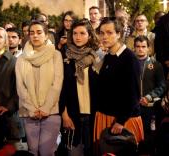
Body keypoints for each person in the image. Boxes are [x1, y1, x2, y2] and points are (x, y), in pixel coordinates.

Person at [94, 18, 144, 155]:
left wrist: (121, 121)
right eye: (102, 33)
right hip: (105, 116)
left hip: (122, 121)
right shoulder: (108, 56)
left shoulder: (129, 58)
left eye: (109, 33)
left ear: (119, 34)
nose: (104, 37)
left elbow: (134, 94)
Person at [16, 21, 63, 156]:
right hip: (29, 112)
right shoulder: (21, 59)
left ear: (46, 35)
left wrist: (45, 108)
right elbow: (20, 87)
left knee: (46, 152)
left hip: (51, 111)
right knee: (32, 152)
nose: (35, 36)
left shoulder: (56, 55)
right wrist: (32, 108)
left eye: (39, 32)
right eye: (32, 33)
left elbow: (57, 83)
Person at [59, 19, 100, 156]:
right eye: (75, 33)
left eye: (82, 33)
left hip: (94, 115)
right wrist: (64, 115)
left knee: (92, 152)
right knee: (74, 152)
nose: (78, 37)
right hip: (72, 115)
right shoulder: (65, 57)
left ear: (90, 35)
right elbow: (61, 88)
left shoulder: (97, 58)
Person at [133, 36, 166, 155]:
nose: (140, 49)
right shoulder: (129, 64)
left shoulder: (156, 65)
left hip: (150, 107)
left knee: (148, 135)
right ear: (134, 48)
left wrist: (148, 97)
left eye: (143, 47)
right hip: (133, 106)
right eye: (138, 46)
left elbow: (162, 86)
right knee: (133, 134)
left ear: (148, 48)